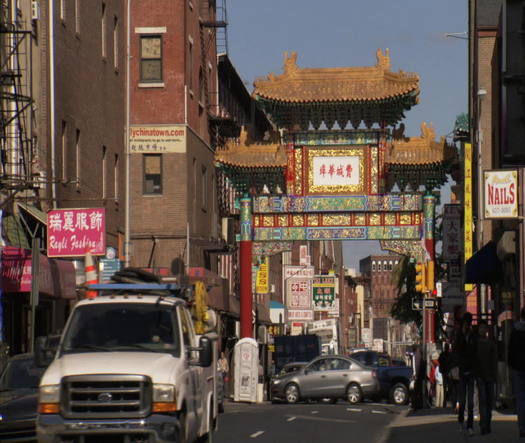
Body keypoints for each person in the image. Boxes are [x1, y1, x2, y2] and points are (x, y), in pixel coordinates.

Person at [455, 312, 477, 436]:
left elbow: (475, 351)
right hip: (463, 371)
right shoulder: (460, 335)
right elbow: (457, 350)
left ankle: (470, 425)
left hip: (471, 371)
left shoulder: (472, 335)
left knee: (470, 402)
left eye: (468, 323)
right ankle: (461, 421)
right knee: (463, 401)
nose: (467, 325)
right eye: (466, 322)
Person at [475, 321, 497, 435]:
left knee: (487, 401)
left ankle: (486, 423)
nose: (482, 330)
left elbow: (494, 361)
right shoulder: (478, 344)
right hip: (481, 376)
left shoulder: (490, 344)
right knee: (484, 401)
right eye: (481, 328)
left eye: (484, 328)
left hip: (487, 376)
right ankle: (485, 424)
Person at [508, 307, 525, 439]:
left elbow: (510, 350)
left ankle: (522, 427)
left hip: (518, 368)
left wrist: (511, 366)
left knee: (520, 398)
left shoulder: (515, 330)